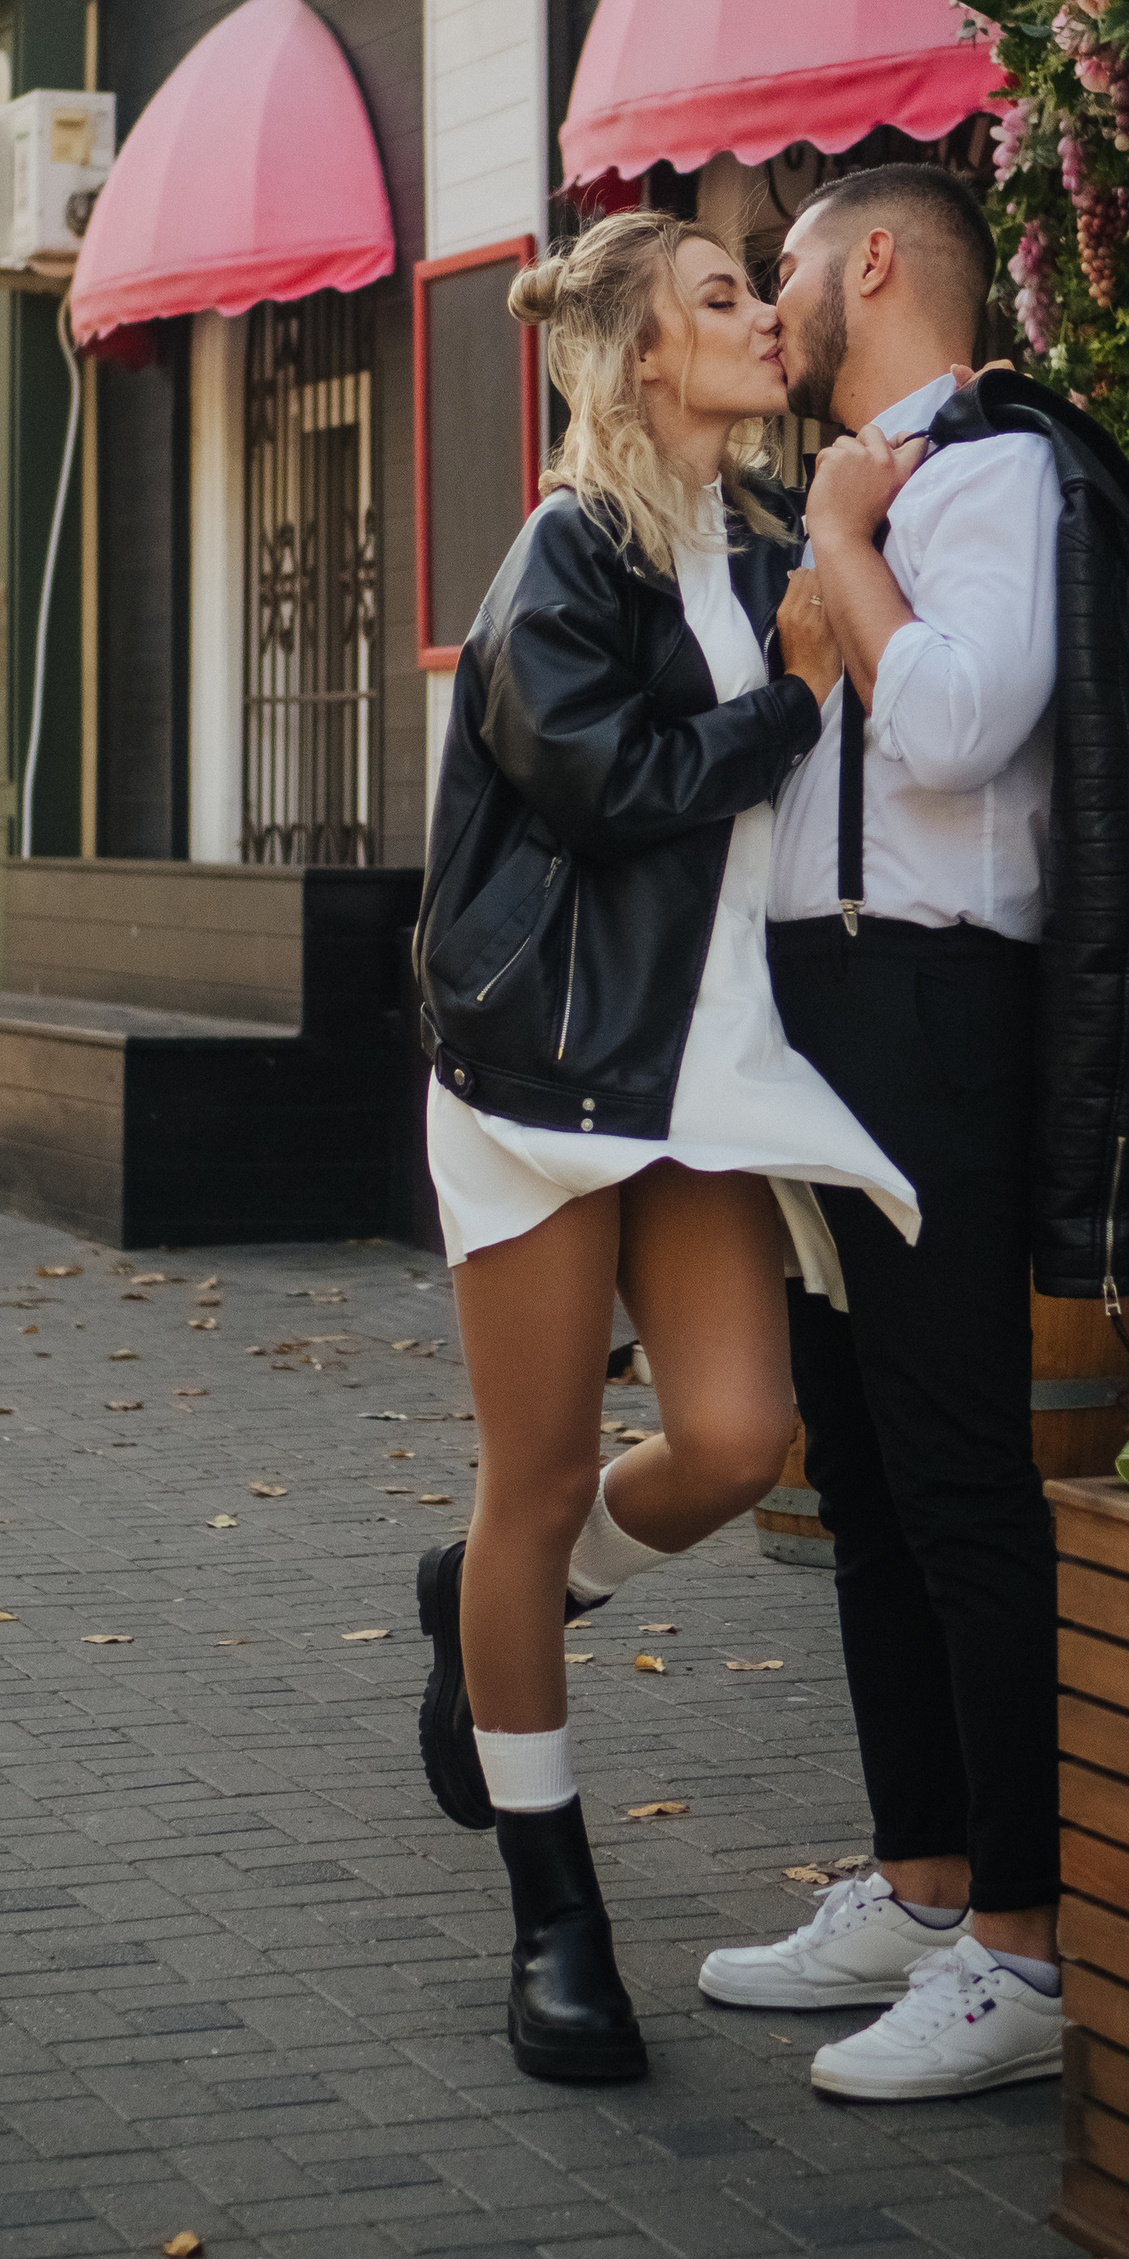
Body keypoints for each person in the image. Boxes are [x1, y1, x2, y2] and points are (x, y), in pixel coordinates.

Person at [700, 160, 1129, 2101]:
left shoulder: (990, 477)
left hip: (933, 1012)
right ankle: (917, 1885)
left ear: (874, 266)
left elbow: (962, 725)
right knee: (868, 1478)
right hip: (823, 1017)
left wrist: (840, 542)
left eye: (789, 268)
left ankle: (1024, 1951)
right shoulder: (867, 495)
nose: (773, 300)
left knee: (963, 1473)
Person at [411, 209, 915, 2088]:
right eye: (719, 296)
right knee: (529, 1476)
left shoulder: (773, 538)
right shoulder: (568, 551)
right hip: (548, 1082)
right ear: (642, 358)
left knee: (732, 1443)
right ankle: (555, 1924)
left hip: (705, 1073)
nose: (759, 316)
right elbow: (612, 786)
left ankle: (495, 1615)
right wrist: (787, 697)